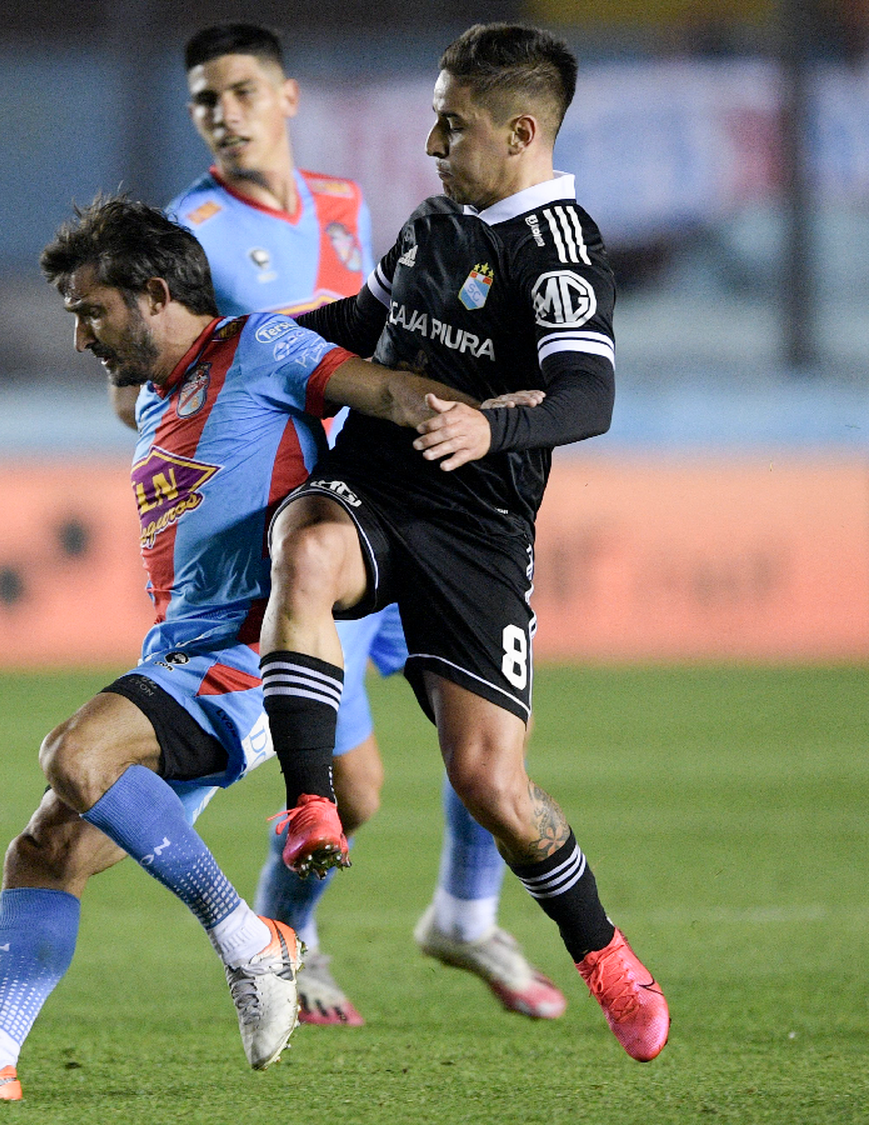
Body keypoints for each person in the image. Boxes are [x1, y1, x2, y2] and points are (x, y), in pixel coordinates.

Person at [0, 196, 499, 1103]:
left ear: (155, 292)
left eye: (92, 311)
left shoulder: (261, 348)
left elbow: (389, 390)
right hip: (181, 659)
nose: (82, 338)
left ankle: (255, 943)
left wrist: (502, 428)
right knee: (44, 851)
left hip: (254, 658)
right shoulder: (161, 397)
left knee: (76, 751)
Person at [111, 21, 565, 1025]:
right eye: (203, 101)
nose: (222, 115)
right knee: (353, 790)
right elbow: (158, 379)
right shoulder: (193, 230)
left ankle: (466, 908)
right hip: (313, 522)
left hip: (403, 496)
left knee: (488, 727)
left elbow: (379, 321)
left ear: (287, 97)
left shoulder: (349, 205)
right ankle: (291, 937)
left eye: (239, 92)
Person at [261, 24, 671, 1062]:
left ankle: (604, 952)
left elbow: (590, 393)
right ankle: (309, 805)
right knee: (305, 553)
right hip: (380, 478)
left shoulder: (561, 252)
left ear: (522, 130)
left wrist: (494, 424)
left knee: (495, 787)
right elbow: (367, 319)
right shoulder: (437, 222)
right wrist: (251, 345)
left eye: (454, 120)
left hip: (481, 528)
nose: (433, 135)